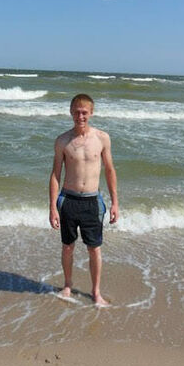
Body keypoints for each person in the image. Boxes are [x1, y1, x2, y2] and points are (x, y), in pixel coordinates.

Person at [49, 94, 119, 306]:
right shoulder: (62, 141)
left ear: (91, 113)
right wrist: (53, 207)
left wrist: (115, 202)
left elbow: (109, 170)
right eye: (77, 112)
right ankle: (67, 285)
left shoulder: (102, 138)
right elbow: (55, 175)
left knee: (94, 248)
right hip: (68, 200)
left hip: (92, 201)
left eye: (84, 112)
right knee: (67, 247)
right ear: (71, 112)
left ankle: (96, 292)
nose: (80, 116)